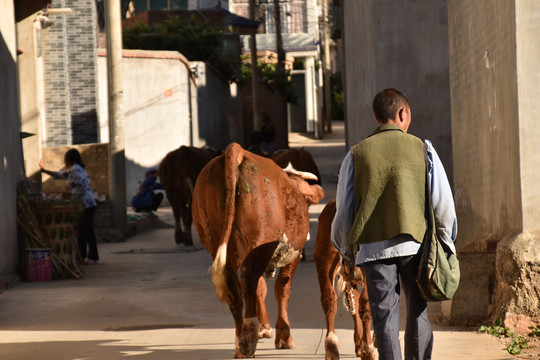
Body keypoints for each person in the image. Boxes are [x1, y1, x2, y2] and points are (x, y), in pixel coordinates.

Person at [331, 88, 457, 360]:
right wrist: (446, 241)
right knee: (418, 311)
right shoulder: (423, 149)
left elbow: (343, 212)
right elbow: (442, 202)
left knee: (384, 317)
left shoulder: (355, 154)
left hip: (374, 250)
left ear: (377, 118)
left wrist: (345, 251)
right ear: (403, 113)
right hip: (416, 246)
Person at [40, 149, 99, 265]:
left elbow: (82, 185)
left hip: (86, 204)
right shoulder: (75, 169)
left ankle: (92, 256)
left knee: (87, 231)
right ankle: (82, 255)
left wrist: (70, 193)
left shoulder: (76, 169)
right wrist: (44, 171)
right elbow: (61, 174)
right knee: (82, 231)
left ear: (69, 159)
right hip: (86, 204)